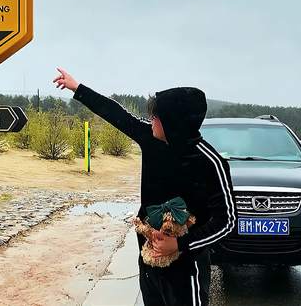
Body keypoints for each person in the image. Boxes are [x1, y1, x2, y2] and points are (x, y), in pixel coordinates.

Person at [53, 68, 235, 305]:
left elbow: (228, 221)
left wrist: (179, 244)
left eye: (156, 117)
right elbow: (117, 114)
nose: (151, 121)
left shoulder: (210, 162)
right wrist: (78, 89)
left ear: (173, 122)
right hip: (149, 260)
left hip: (187, 267)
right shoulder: (151, 139)